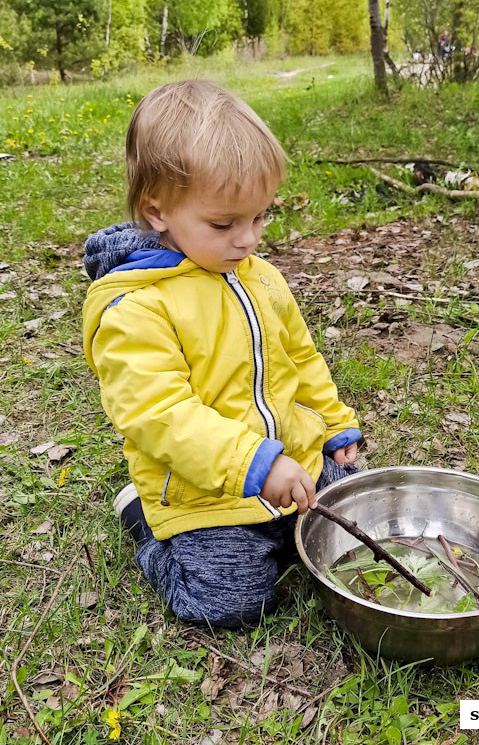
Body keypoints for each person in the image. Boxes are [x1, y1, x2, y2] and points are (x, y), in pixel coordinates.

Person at [82, 80, 362, 627]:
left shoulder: (259, 277)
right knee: (230, 604)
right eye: (224, 224)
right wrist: (254, 465)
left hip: (290, 462)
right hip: (204, 493)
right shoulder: (135, 308)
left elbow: (301, 359)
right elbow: (159, 414)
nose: (248, 240)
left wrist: (334, 427)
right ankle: (145, 523)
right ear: (156, 210)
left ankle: (286, 516)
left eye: (259, 217)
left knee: (361, 515)